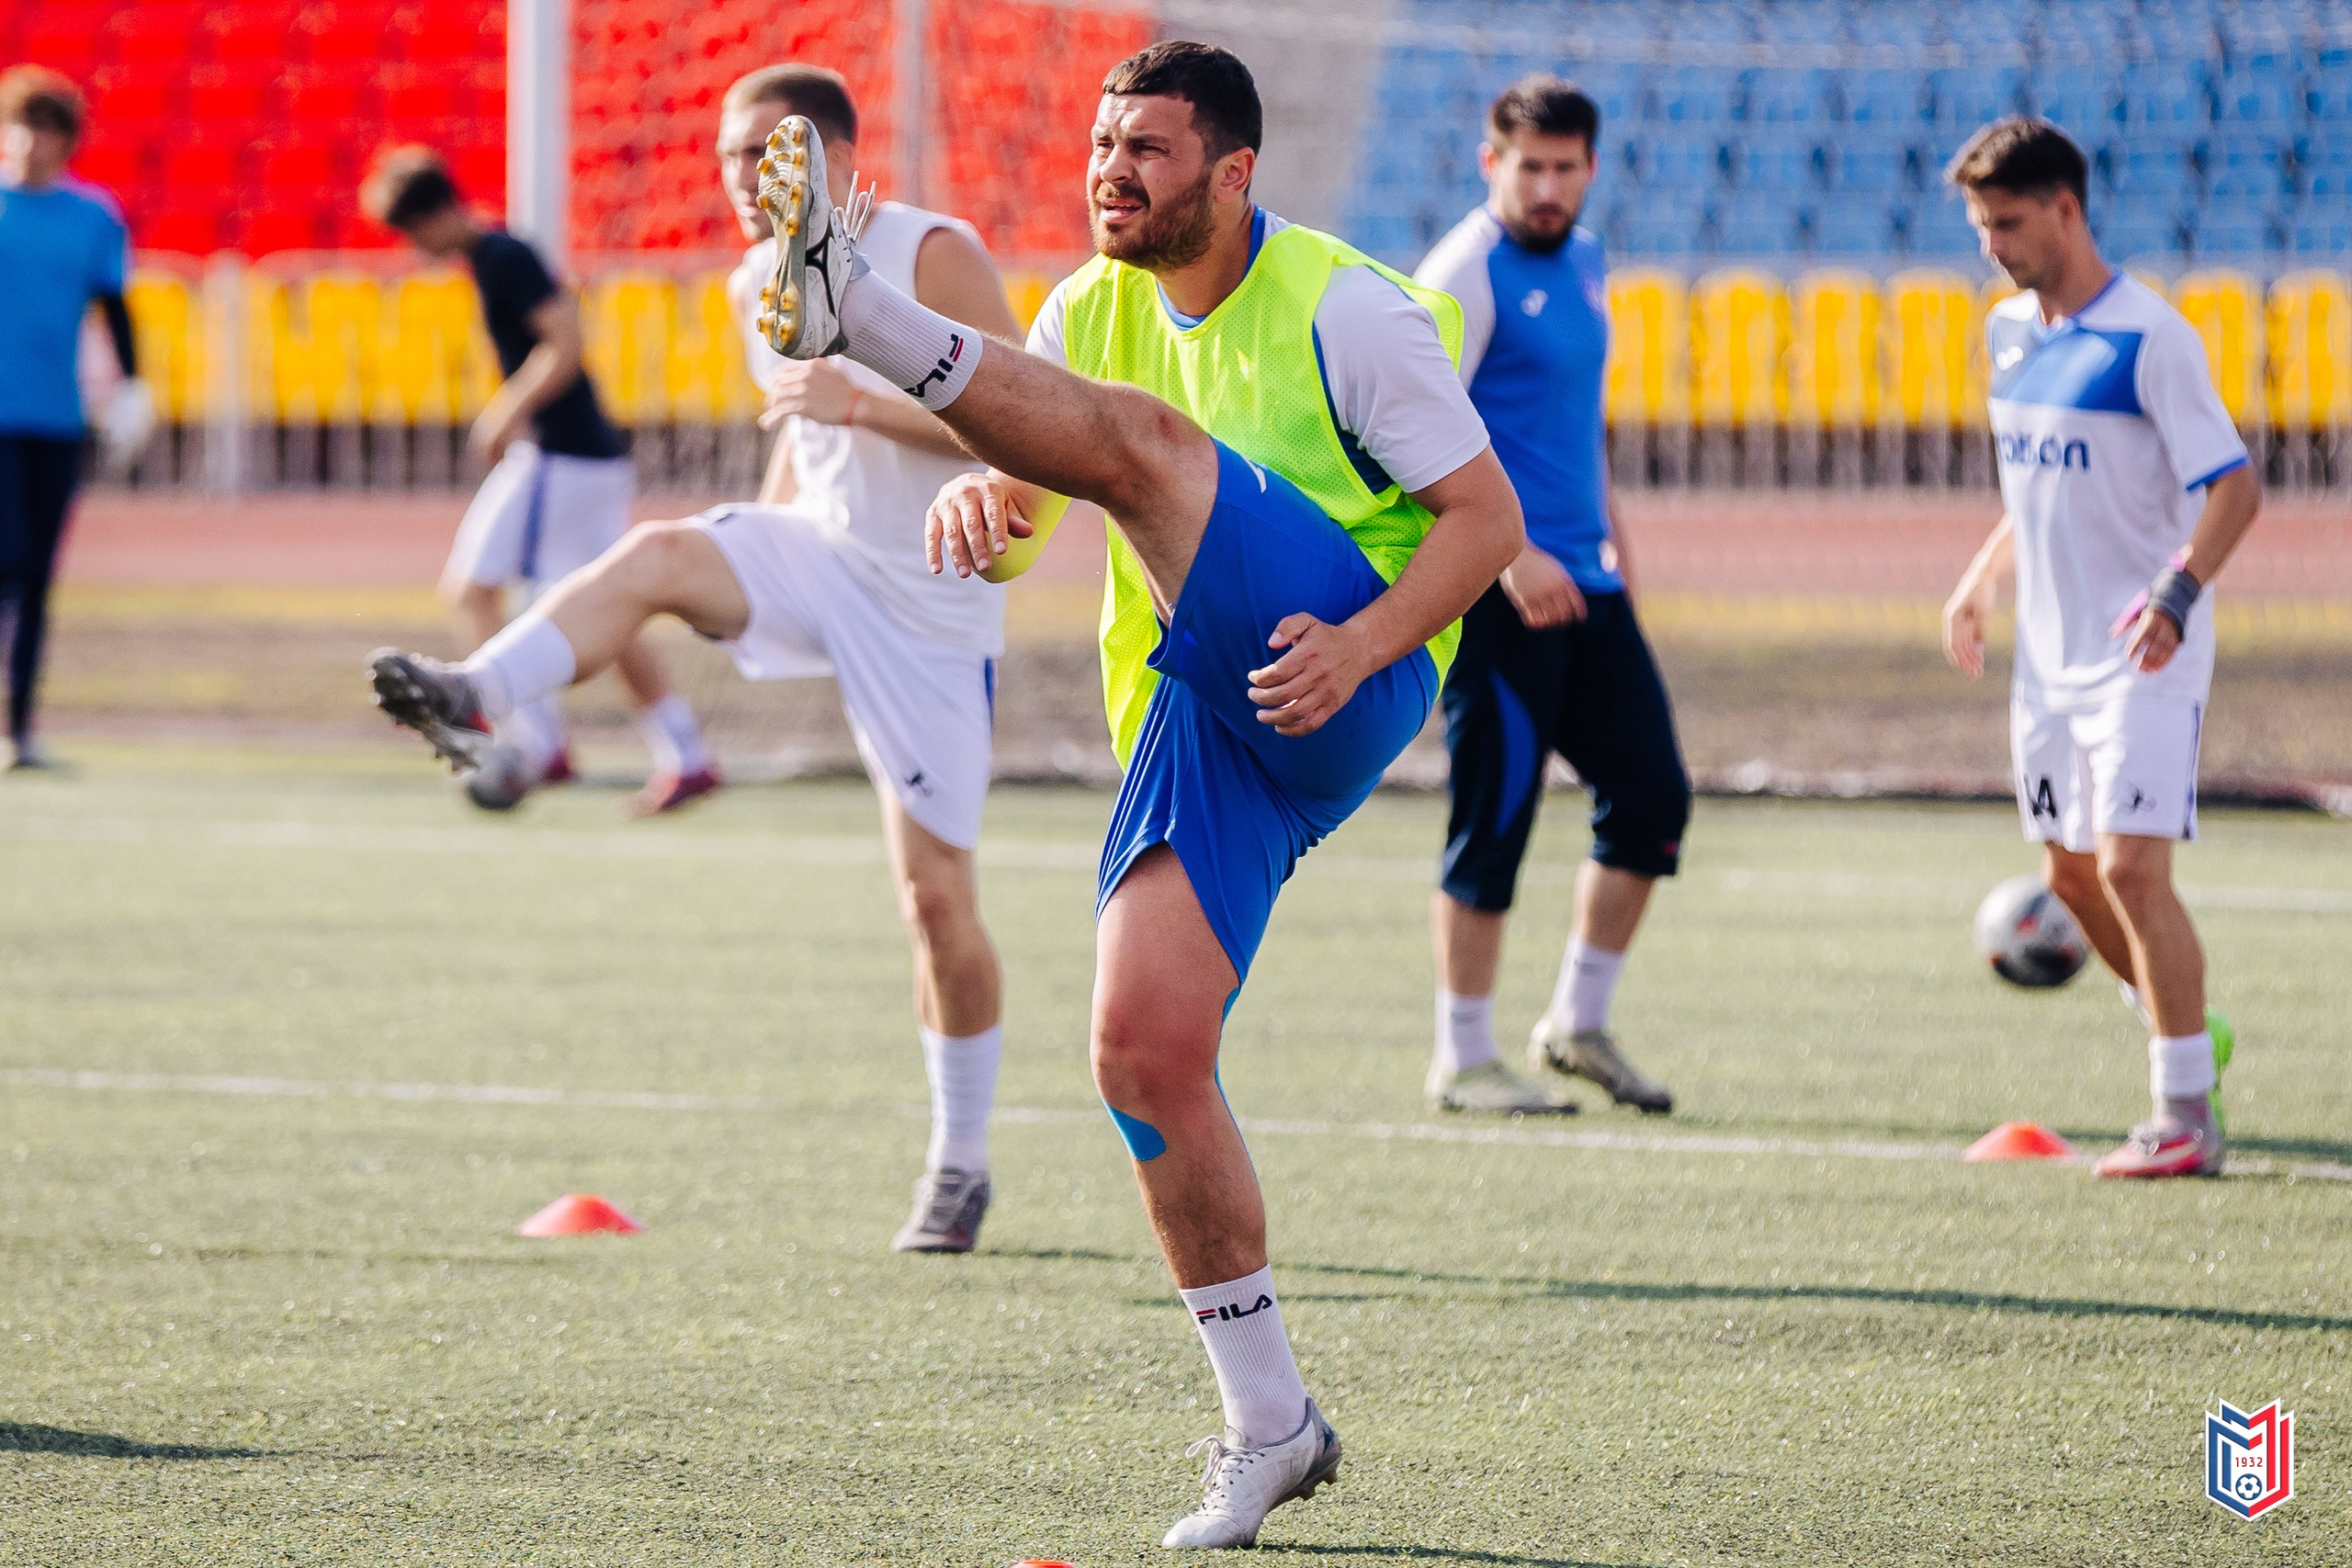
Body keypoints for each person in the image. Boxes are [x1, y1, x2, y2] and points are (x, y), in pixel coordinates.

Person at [742, 42, 1521, 1547]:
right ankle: (1272, 1422)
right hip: (1197, 713)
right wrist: (987, 500)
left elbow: (1485, 522)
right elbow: (1038, 502)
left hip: (1343, 667)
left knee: (1157, 442)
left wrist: (1366, 642)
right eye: (1104, 145)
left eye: (1149, 149)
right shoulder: (1084, 310)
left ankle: (857, 308)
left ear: (1235, 173)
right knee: (1142, 1056)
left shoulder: (1350, 309)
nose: (1112, 171)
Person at [365, 64, 1023, 1255]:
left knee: (934, 901)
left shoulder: (932, 251)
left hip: (931, 609)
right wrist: (755, 549)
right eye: (728, 153)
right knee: (663, 549)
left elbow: (1027, 425)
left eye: (767, 150)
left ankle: (960, 1162)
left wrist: (861, 405)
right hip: (819, 557)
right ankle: (479, 693)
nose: (739, 174)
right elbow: (802, 441)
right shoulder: (750, 279)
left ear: (834, 158)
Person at [1940, 118, 2260, 1179]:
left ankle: (2185, 1116)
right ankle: (2185, 1029)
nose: (1991, 245)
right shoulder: (2005, 331)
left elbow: (2235, 489)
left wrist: (2177, 592)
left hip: (2143, 655)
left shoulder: (2150, 338)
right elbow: (2036, 486)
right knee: (2072, 881)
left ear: (2065, 209)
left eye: (2007, 224)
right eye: (1981, 226)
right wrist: (1980, 579)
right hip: (2045, 662)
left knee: (2129, 869)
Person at [1413, 76, 1687, 1117]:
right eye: (1529, 167)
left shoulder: (1585, 259)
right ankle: (1463, 1057)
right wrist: (1507, 554)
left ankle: (1576, 1023)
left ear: (1590, 169)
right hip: (1498, 592)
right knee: (1494, 816)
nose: (1547, 187)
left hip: (1588, 583)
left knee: (1652, 801)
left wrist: (1616, 543)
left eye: (1565, 168)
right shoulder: (1461, 273)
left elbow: (1570, 421)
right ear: (1492, 163)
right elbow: (1409, 433)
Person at [359, 148, 716, 815]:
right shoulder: (495, 256)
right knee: (607, 606)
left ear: (433, 213)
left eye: (412, 232)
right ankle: (681, 750)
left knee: (476, 590)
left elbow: (565, 341)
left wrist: (509, 408)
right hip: (578, 458)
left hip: (562, 457)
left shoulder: (502, 256)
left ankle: (539, 741)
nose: (415, 249)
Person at [0, 66, 153, 772]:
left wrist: (133, 387)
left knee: (35, 578)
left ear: (67, 141)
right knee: (6, 559)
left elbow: (113, 304)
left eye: (47, 130)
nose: (32, 142)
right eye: (22, 126)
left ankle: (18, 729)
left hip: (54, 417)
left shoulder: (91, 217)